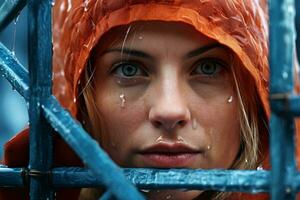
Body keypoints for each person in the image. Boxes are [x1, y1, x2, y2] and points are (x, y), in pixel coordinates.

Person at [1, 0, 299, 200]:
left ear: (254, 93)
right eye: (129, 70)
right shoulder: (25, 184)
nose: (170, 110)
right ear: (84, 98)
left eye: (209, 68)